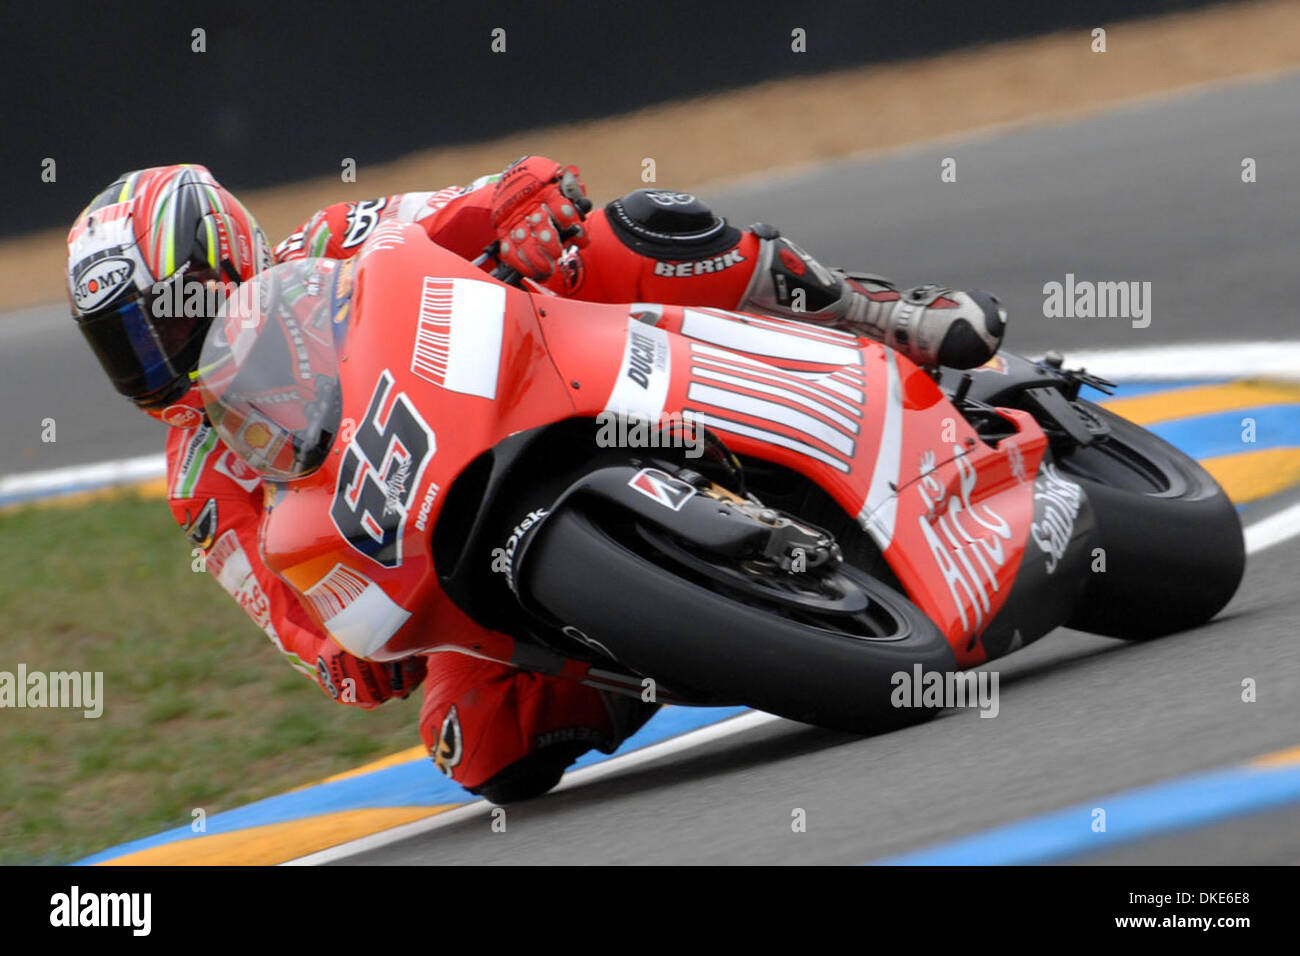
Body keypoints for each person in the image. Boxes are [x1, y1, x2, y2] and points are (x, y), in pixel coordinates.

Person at [66, 158, 1006, 801]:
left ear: (226, 256)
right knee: (475, 750)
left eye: (170, 321)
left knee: (624, 232)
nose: (163, 359)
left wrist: (525, 206)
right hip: (445, 540)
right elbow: (307, 635)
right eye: (130, 347)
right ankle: (674, 635)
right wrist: (347, 641)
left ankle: (880, 313)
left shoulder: (328, 241)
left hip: (534, 366)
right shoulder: (202, 476)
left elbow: (487, 199)